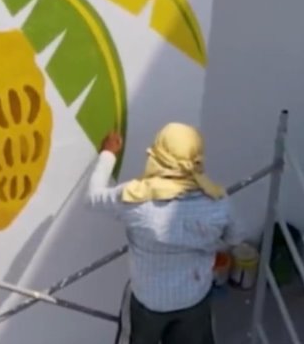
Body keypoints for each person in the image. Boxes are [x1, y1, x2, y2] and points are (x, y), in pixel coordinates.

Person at [87, 123, 242, 344]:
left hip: (148, 303)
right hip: (193, 301)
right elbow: (235, 238)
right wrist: (209, 250)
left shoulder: (134, 200)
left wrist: (108, 154)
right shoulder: (219, 202)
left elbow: (92, 198)